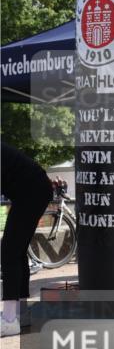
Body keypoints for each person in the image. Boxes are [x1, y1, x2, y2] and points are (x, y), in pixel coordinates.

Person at [1, 142, 53, 336]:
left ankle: (8, 320)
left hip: (31, 192)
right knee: (16, 250)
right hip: (32, 190)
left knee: (9, 252)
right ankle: (20, 313)